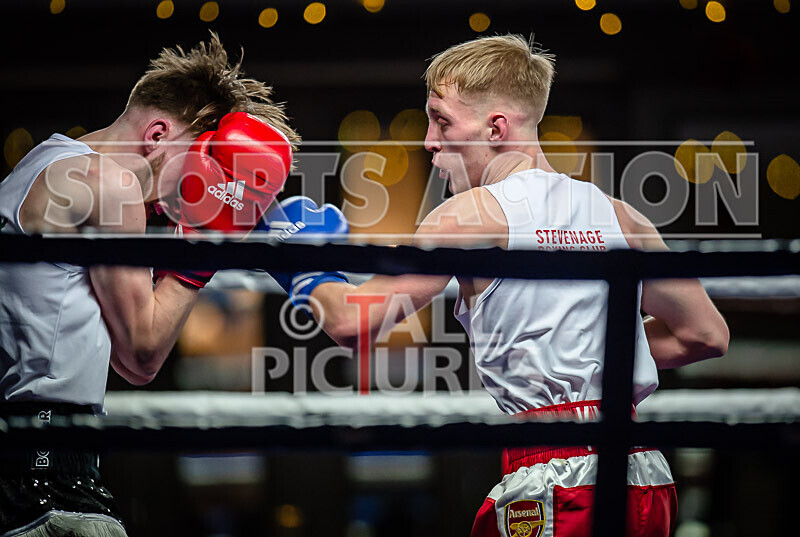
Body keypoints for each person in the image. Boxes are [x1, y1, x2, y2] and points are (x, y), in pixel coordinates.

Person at [264, 35, 729, 536]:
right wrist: (588, 352)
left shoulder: (467, 219)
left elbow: (351, 321)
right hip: (646, 474)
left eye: (441, 120)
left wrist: (301, 261)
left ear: (496, 127)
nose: (429, 142)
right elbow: (705, 334)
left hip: (557, 478)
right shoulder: (622, 218)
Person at [0, 34, 298, 537]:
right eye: (197, 167)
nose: (194, 194)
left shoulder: (40, 164)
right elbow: (141, 355)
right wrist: (205, 244)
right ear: (158, 134)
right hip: (47, 478)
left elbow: (114, 348)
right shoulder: (110, 185)